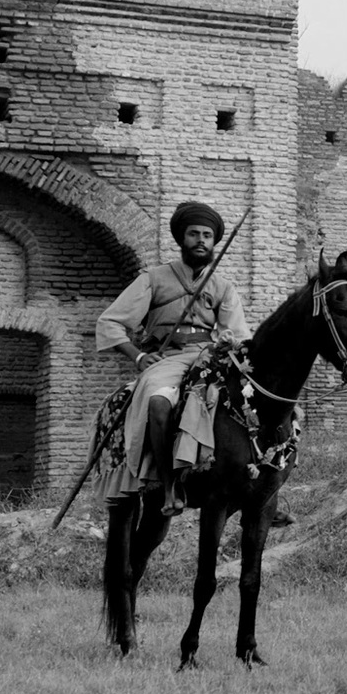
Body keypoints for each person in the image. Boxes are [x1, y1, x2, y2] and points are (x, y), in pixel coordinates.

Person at [95, 201, 277, 520]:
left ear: (214, 242)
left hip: (208, 357)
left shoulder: (222, 287)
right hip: (167, 358)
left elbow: (238, 334)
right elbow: (109, 322)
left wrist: (227, 343)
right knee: (157, 401)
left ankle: (263, 487)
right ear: (181, 239)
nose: (201, 240)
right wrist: (137, 355)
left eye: (207, 235)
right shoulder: (153, 278)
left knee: (251, 401)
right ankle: (168, 487)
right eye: (194, 234)